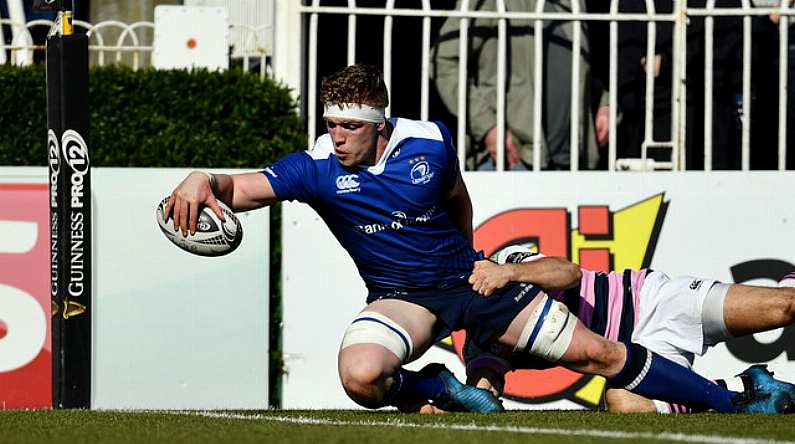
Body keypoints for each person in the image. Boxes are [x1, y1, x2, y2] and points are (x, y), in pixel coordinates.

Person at [165, 63, 786, 415]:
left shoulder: (430, 144)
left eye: (351, 126)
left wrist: (477, 261)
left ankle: (737, 402)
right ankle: (436, 385)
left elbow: (459, 201)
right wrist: (204, 179)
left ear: (379, 124)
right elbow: (243, 188)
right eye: (331, 125)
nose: (339, 137)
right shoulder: (315, 166)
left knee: (597, 357)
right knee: (359, 377)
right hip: (401, 296)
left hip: (468, 278)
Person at [456, 245, 795, 413]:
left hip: (654, 301)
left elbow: (568, 273)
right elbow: (482, 398)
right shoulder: (479, 339)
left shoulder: (505, 261)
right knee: (622, 403)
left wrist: (509, 274)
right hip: (634, 363)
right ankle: (743, 387)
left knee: (784, 306)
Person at [431, 0, 610, 171]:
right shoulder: (492, 2)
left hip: (573, 162)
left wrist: (603, 103)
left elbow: (577, 70)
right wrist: (487, 126)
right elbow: (443, 63)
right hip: (514, 159)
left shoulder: (572, 3)